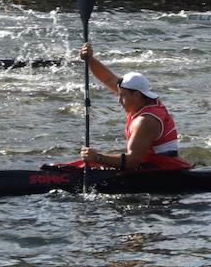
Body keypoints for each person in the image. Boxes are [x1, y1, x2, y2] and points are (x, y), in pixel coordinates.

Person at [76, 43, 189, 171]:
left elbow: (132, 162)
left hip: (162, 171)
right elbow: (108, 79)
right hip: (150, 165)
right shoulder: (143, 100)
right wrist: (90, 59)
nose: (119, 101)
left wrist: (97, 157)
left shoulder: (145, 121)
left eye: (122, 96)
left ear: (136, 95)